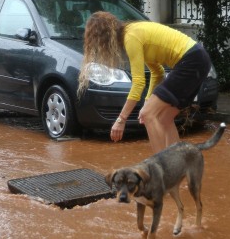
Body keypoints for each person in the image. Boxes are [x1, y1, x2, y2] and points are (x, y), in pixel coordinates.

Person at [77, 11, 212, 152]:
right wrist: (148, 100)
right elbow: (157, 72)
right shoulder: (134, 33)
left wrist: (121, 120)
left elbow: (138, 82)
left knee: (148, 114)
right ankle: (176, 165)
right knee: (164, 118)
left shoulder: (131, 38)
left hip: (191, 60)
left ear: (104, 37)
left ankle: (161, 168)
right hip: (198, 59)